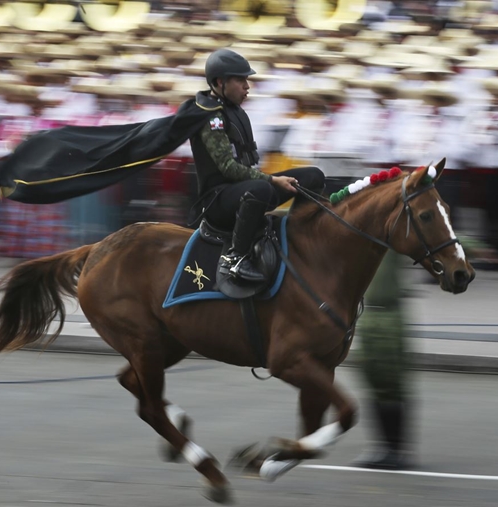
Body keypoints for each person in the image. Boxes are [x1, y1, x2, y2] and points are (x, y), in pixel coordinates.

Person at [189, 49, 325, 282]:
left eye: (247, 80)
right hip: (217, 200)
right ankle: (235, 259)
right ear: (220, 82)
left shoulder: (235, 111)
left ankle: (298, 238)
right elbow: (228, 168)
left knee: (313, 176)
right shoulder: (211, 117)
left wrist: (269, 180)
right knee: (261, 189)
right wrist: (271, 180)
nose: (247, 86)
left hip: (244, 190)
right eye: (240, 80)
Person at [351, 251, 413, 470]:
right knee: (373, 378)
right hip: (369, 315)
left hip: (389, 315)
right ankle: (382, 447)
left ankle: (396, 449)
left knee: (391, 381)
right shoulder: (366, 235)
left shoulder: (393, 239)